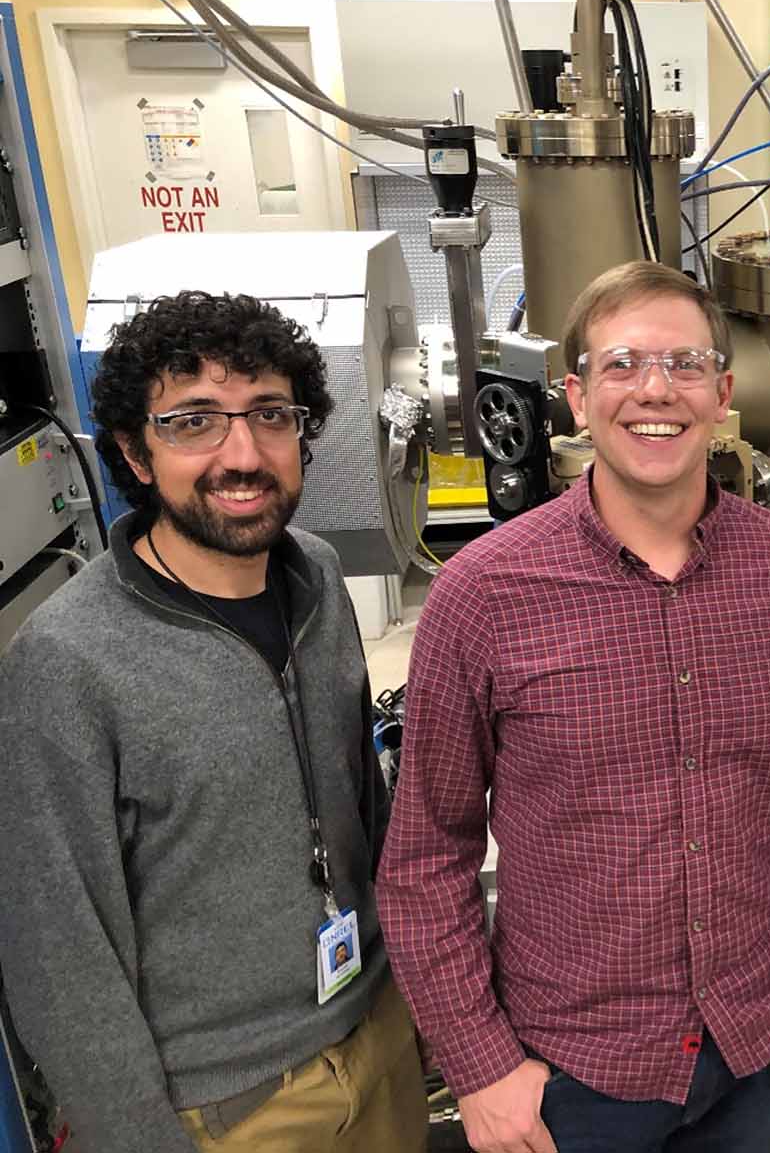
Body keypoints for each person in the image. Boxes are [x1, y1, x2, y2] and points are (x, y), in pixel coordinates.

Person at [378, 261, 770, 1153]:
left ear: (722, 392)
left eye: (684, 364)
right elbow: (426, 856)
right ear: (576, 396)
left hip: (755, 1048)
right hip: (573, 1076)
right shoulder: (484, 592)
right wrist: (478, 1064)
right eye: (622, 364)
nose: (655, 390)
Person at [0, 291, 426, 1152]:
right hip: (227, 1107)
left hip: (377, 1042)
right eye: (194, 421)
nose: (243, 454)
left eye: (270, 414)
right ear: (134, 449)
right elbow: (57, 956)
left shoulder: (317, 578)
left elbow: (364, 814)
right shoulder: (66, 660)